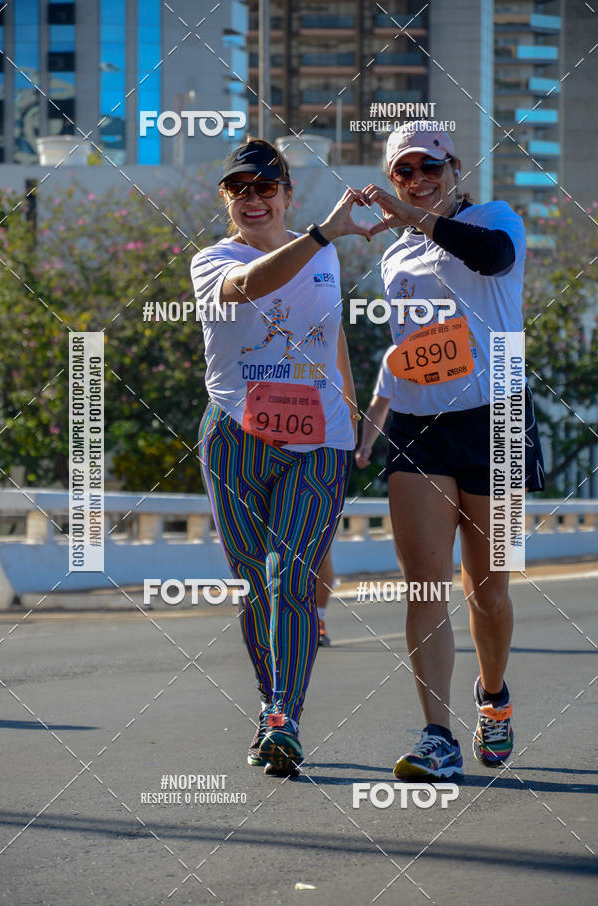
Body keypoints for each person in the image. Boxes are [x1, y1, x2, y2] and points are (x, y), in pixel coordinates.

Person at [359, 121, 545, 780]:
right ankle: (438, 735)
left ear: (454, 167)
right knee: (426, 584)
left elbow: (490, 260)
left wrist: (413, 217)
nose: (418, 179)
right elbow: (407, 348)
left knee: (488, 590)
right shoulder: (393, 257)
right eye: (403, 171)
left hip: (496, 424)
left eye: (429, 166)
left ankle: (493, 698)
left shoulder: (498, 220)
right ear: (391, 178)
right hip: (417, 428)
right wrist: (376, 413)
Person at [191, 138, 367, 776]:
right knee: (254, 584)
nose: (253, 199)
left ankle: (282, 718)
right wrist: (324, 234)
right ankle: (273, 703)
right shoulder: (215, 259)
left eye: (267, 188)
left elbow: (332, 337)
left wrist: (357, 417)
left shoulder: (325, 260)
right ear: (227, 202)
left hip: (317, 441)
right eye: (240, 189)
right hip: (235, 438)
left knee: (289, 578)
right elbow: (243, 288)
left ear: (288, 196)